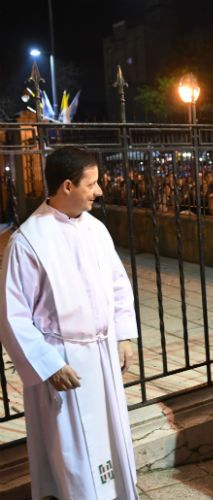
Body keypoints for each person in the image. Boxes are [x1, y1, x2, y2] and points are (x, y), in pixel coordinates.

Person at [0, 147, 138, 499]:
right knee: (74, 457)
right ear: (66, 186)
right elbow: (13, 314)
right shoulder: (29, 241)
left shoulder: (96, 230)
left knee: (110, 444)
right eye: (91, 184)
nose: (99, 191)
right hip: (64, 364)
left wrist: (123, 336)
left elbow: (118, 284)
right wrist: (48, 365)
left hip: (103, 355)